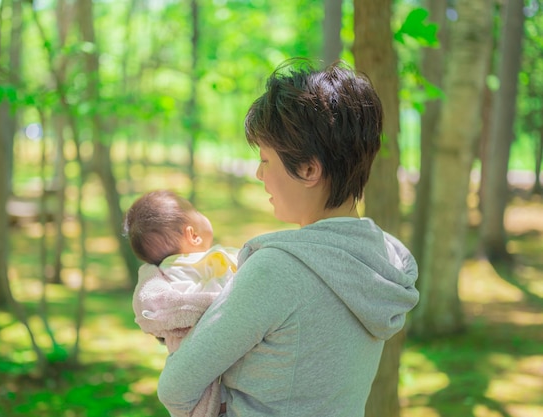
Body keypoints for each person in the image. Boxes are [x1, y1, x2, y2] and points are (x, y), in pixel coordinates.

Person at [155, 59, 420, 417]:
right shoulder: (384, 262)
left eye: (266, 159)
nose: (258, 173)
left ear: (309, 169)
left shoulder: (278, 271)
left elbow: (176, 388)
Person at [124, 189, 238, 417]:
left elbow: (159, 306)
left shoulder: (164, 275)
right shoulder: (212, 263)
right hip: (222, 367)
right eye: (195, 210)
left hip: (193, 375)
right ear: (193, 235)